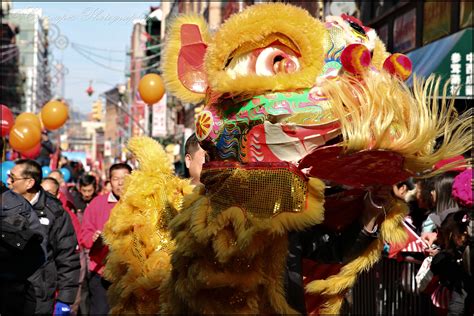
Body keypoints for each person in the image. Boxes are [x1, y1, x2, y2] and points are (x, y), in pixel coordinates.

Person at [7, 159, 80, 315]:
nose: (8, 182)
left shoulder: (55, 212)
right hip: (8, 291)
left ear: (29, 183)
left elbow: (67, 257)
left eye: (12, 178)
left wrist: (65, 299)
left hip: (40, 295)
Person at [81, 163, 132, 315]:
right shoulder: (97, 203)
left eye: (125, 178)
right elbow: (85, 234)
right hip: (101, 273)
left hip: (132, 274)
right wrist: (93, 237)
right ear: (109, 181)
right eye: (116, 179)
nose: (120, 183)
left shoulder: (141, 203)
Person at [0, 183, 46, 316]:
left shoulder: (13, 204)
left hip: (15, 287)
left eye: (14, 178)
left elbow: (37, 250)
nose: (10, 181)